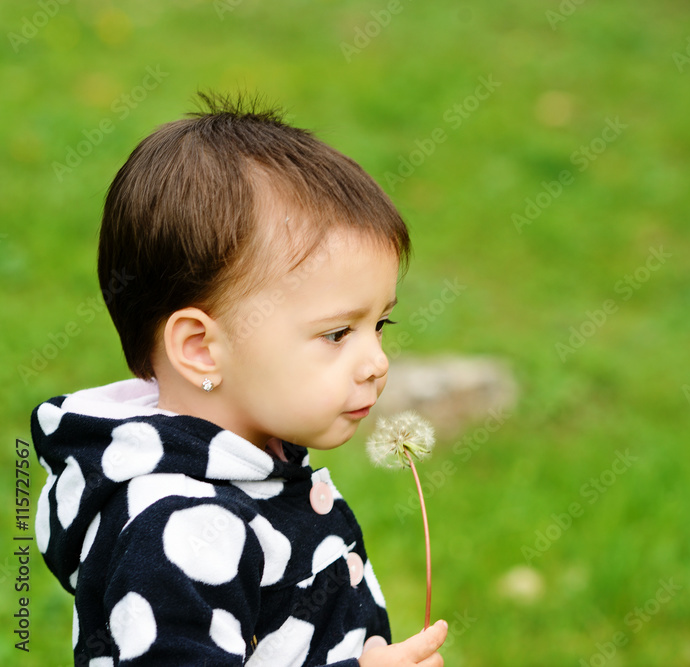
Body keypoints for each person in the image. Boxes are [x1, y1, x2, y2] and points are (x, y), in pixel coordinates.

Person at [29, 92, 448, 667]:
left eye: (380, 324)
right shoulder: (175, 530)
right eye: (336, 334)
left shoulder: (260, 471)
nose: (377, 361)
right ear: (202, 349)